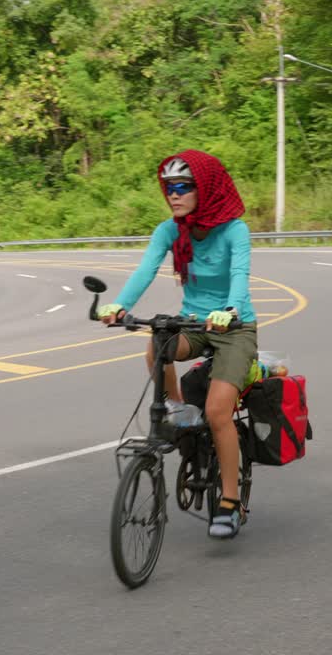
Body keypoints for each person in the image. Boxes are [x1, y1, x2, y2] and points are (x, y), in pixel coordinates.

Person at [97, 150, 257, 539]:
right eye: (169, 187)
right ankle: (180, 412)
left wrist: (231, 308)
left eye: (184, 186)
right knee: (158, 346)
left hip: (233, 327)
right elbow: (146, 268)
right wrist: (122, 305)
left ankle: (231, 503)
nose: (174, 194)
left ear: (206, 188)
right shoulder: (169, 230)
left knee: (219, 411)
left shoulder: (235, 230)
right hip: (194, 323)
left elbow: (240, 274)